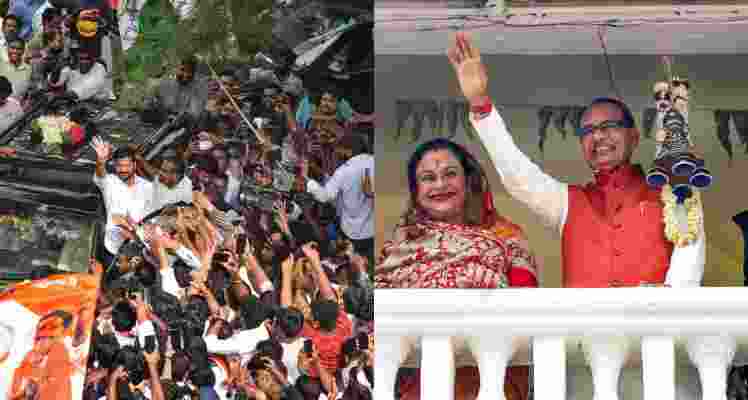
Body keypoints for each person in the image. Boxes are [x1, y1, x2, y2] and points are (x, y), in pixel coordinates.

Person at [446, 31, 710, 399]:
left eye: (608, 127)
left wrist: (663, 313)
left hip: (661, 363)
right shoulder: (569, 202)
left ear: (634, 137)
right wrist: (480, 104)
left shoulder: (671, 190)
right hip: (586, 367)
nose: (597, 136)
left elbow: (689, 258)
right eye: (587, 130)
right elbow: (518, 177)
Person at [376, 138, 538, 289]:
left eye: (450, 174)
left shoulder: (508, 239)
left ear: (468, 181)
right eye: (428, 178)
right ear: (416, 191)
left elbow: (522, 303)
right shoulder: (402, 242)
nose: (440, 185)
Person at [300, 133, 375, 262]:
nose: (338, 152)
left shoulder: (344, 171)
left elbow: (325, 196)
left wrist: (306, 178)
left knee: (359, 260)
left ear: (349, 150)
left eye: (340, 149)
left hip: (355, 232)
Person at [91, 137, 154, 269]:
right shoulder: (110, 182)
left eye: (127, 165)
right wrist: (101, 160)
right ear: (115, 166)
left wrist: (134, 232)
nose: (123, 169)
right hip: (111, 249)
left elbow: (152, 221)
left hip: (137, 251)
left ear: (134, 165)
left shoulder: (148, 188)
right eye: (120, 166)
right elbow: (100, 174)